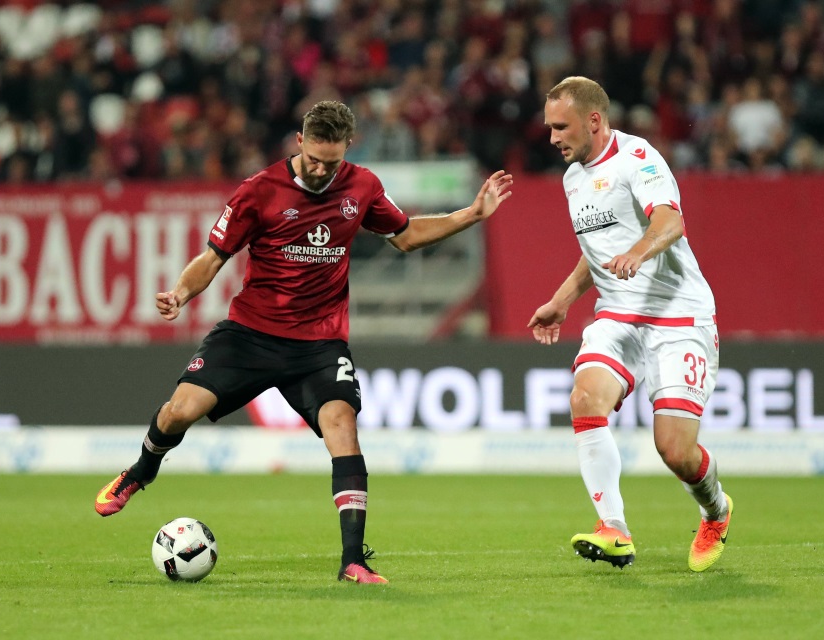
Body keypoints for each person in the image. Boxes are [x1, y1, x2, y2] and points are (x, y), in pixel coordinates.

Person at [95, 100, 514, 585]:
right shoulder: (259, 191)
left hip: (319, 344)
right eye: (313, 158)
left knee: (342, 425)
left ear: (346, 150)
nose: (320, 169)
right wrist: (180, 293)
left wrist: (473, 213)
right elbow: (213, 257)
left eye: (330, 161)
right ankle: (141, 471)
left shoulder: (363, 186)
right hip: (251, 334)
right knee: (178, 411)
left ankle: (353, 560)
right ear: (299, 141)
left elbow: (404, 235)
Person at [528, 77, 731, 573]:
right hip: (618, 314)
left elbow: (669, 222)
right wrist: (561, 300)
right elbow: (596, 250)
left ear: (594, 121)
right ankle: (613, 529)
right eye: (549, 127)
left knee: (675, 451)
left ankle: (716, 509)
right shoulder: (573, 177)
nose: (552, 137)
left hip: (677, 314)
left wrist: (639, 251)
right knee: (584, 398)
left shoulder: (638, 158)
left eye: (561, 127)